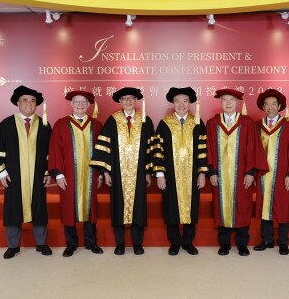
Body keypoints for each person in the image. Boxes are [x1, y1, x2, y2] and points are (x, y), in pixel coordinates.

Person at [90, 87, 154, 255]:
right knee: (117, 206)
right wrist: (105, 173)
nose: (128, 101)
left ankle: (137, 244)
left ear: (136, 100)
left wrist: (148, 172)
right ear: (120, 101)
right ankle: (120, 244)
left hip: (139, 173)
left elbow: (151, 149)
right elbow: (104, 147)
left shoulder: (145, 120)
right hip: (117, 173)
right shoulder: (113, 120)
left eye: (131, 98)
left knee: (138, 207)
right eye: (124, 99)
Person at [0, 85, 52, 259]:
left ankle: (41, 243)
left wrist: (48, 172)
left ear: (36, 104)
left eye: (32, 101)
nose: (29, 104)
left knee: (39, 209)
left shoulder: (45, 125)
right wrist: (1, 173)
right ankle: (12, 246)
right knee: (13, 209)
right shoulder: (7, 124)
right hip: (14, 176)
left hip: (37, 176)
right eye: (24, 100)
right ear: (18, 103)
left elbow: (50, 153)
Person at [206, 89, 268, 256]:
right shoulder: (212, 123)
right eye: (224, 100)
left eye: (231, 100)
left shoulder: (247, 122)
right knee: (221, 206)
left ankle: (242, 244)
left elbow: (254, 149)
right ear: (220, 102)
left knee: (243, 206)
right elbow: (209, 150)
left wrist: (250, 173)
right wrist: (212, 172)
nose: (228, 103)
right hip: (219, 175)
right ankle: (224, 244)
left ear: (237, 102)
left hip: (242, 175)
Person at [49, 91, 104, 257]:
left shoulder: (97, 125)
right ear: (71, 104)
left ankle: (91, 242)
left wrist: (101, 174)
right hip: (68, 176)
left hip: (91, 175)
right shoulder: (61, 124)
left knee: (90, 208)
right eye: (77, 102)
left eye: (83, 102)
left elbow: (102, 152)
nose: (80, 105)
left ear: (88, 106)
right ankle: (71, 244)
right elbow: (55, 150)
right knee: (68, 208)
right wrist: (58, 174)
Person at [154, 87, 208, 256]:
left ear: (190, 103)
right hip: (170, 175)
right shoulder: (164, 123)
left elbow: (203, 150)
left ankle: (188, 242)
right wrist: (160, 175)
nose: (181, 104)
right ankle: (175, 242)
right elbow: (158, 150)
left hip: (192, 175)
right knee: (171, 208)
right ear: (173, 103)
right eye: (178, 101)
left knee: (191, 209)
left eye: (185, 101)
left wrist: (202, 173)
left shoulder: (198, 122)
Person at [253, 89, 289, 255]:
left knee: (283, 208)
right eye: (267, 104)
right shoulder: (256, 126)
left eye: (274, 104)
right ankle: (267, 240)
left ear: (280, 106)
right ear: (263, 106)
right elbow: (252, 152)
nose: (270, 107)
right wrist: (254, 173)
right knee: (264, 207)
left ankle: (283, 242)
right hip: (263, 176)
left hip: (283, 175)